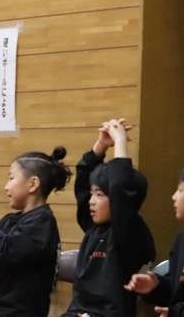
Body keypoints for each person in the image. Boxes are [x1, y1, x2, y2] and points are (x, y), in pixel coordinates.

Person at [0, 146, 71, 317]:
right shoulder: (10, 220)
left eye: (11, 178)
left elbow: (8, 254)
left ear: (33, 184)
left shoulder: (43, 222)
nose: (6, 186)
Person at [63, 118, 155, 317]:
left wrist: (120, 142)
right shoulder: (93, 226)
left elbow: (120, 188)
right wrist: (101, 146)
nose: (91, 201)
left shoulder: (129, 230)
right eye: (92, 194)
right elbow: (83, 182)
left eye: (99, 194)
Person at [125, 160, 184, 317]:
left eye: (180, 190)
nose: (173, 196)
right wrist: (155, 286)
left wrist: (175, 313)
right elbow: (176, 289)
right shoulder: (182, 239)